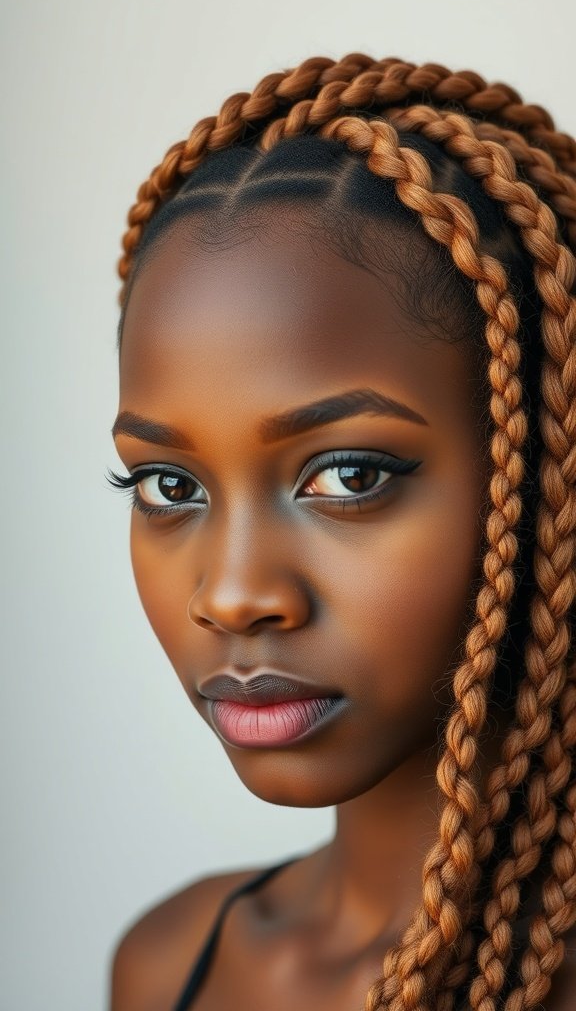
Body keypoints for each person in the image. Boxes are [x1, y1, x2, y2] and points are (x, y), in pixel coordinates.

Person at [106, 53, 576, 1010]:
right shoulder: (166, 966)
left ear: (544, 474)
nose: (233, 595)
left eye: (349, 477)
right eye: (169, 485)